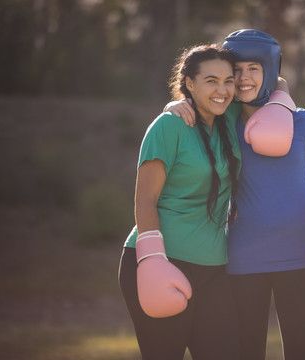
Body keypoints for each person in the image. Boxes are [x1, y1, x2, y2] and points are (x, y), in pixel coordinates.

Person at [166, 29, 305, 360]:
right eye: (236, 69)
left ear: (269, 69)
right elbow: (190, 108)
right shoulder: (222, 122)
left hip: (301, 260)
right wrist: (175, 104)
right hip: (241, 262)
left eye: (254, 67)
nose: (244, 77)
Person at [118, 44, 242, 360]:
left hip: (213, 268)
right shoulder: (168, 126)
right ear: (189, 83)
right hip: (160, 261)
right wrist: (153, 261)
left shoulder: (229, 120)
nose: (223, 89)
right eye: (211, 80)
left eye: (229, 81)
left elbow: (276, 83)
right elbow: (144, 200)